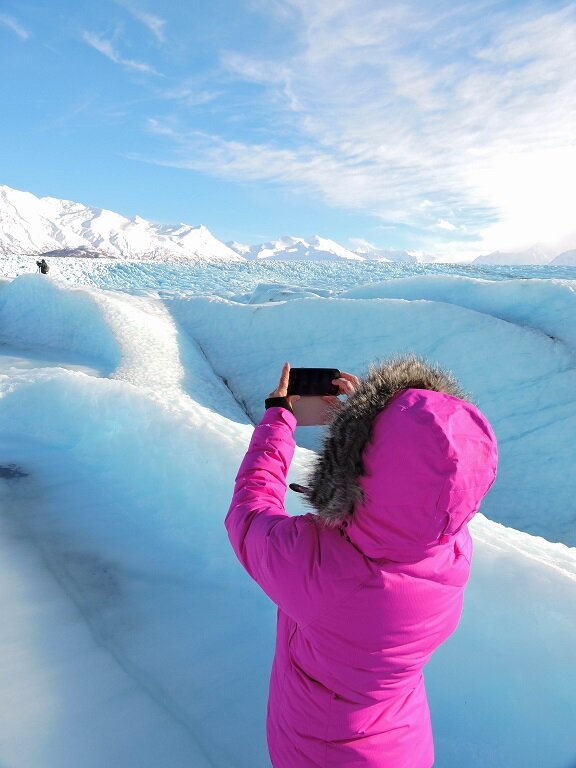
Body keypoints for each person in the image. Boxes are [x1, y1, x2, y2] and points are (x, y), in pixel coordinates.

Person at [226, 355, 498, 768]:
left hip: (322, 752)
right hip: (403, 746)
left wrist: (279, 420)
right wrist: (371, 429)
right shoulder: (450, 549)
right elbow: (427, 482)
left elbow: (248, 513)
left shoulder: (324, 569)